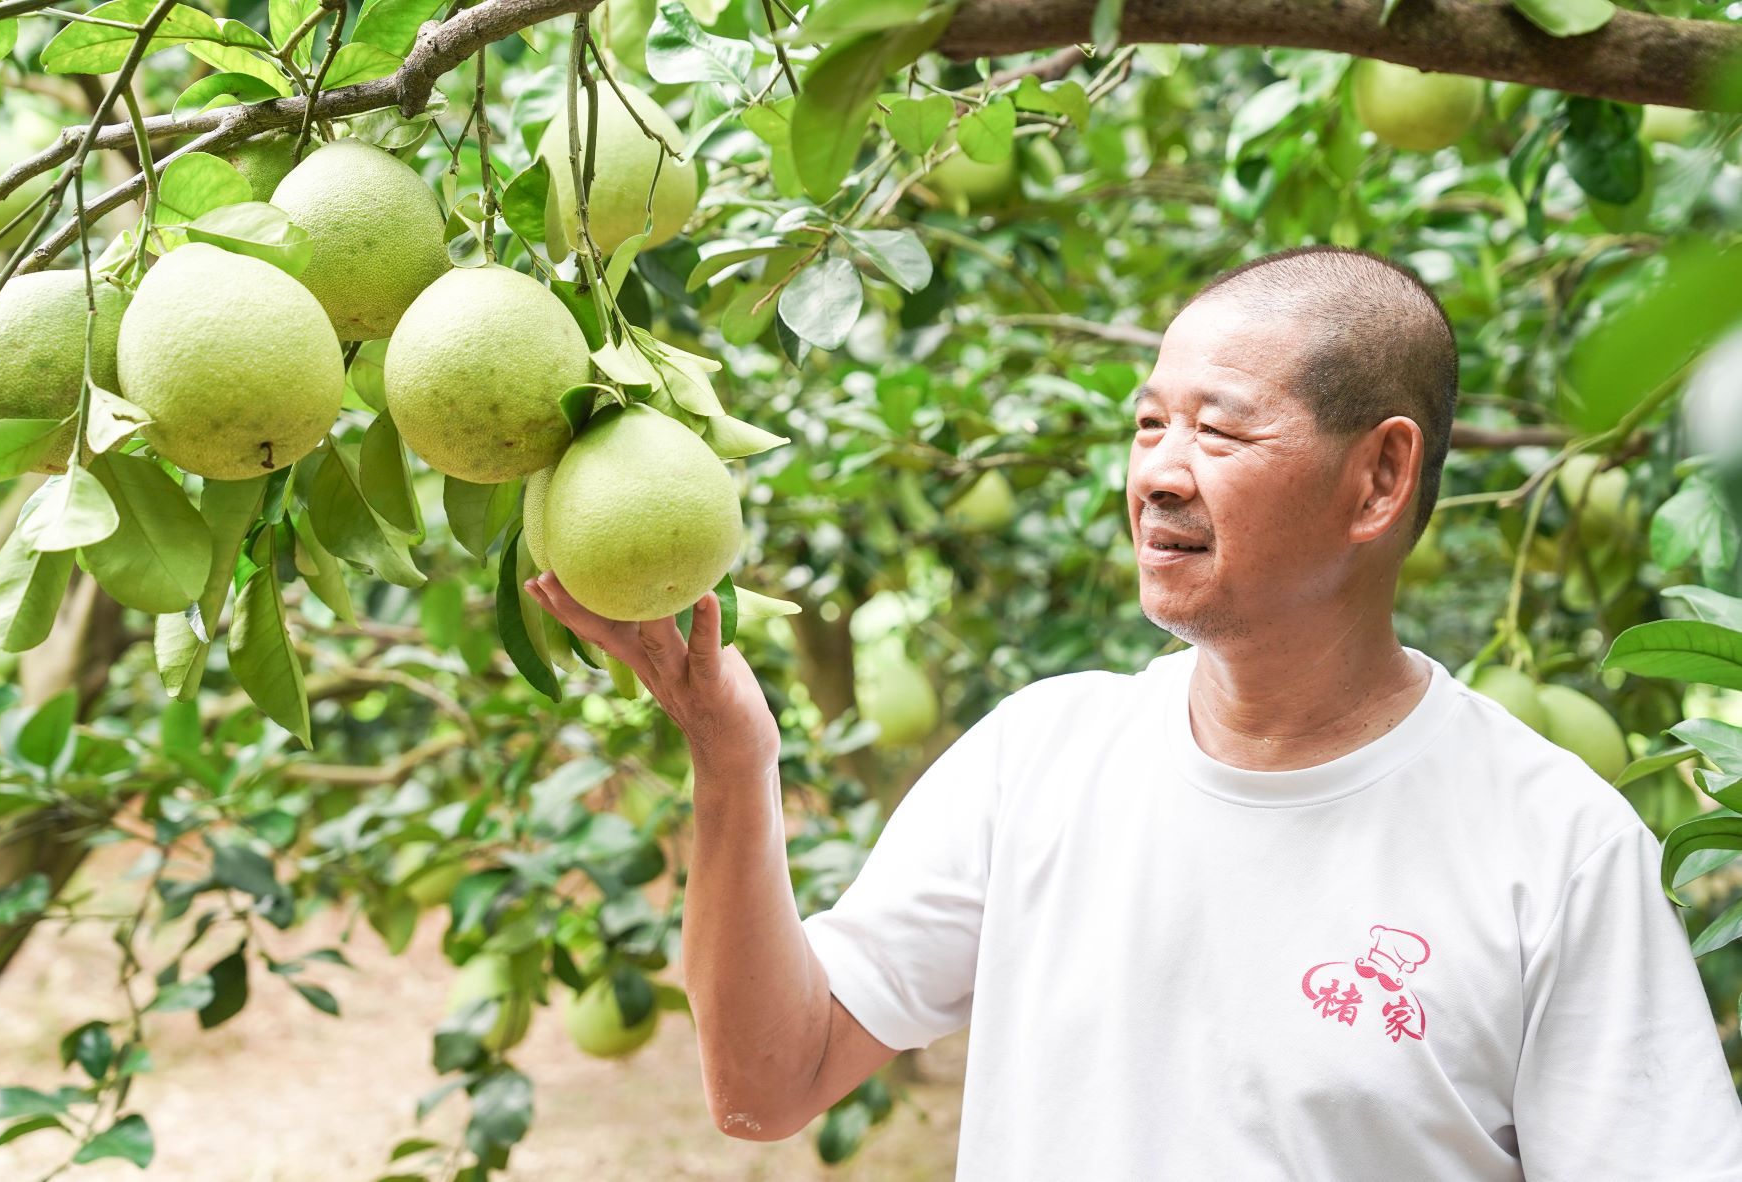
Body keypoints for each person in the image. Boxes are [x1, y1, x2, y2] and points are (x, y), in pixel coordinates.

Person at [523, 245, 1742, 1179]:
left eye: (1217, 430)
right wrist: (732, 756)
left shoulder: (1557, 849)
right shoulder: (1040, 759)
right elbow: (766, 1083)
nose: (1159, 470)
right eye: (1149, 423)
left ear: (1379, 477)